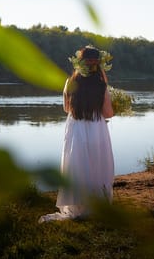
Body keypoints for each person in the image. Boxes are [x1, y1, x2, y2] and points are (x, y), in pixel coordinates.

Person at [39, 45, 114, 222]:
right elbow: (109, 113)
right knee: (96, 162)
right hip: (96, 127)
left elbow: (66, 108)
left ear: (78, 64)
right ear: (99, 65)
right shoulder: (101, 86)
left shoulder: (70, 83)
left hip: (76, 127)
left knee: (77, 163)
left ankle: (77, 204)